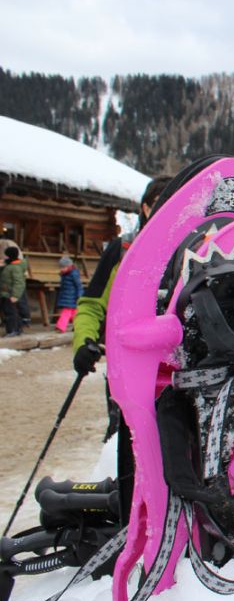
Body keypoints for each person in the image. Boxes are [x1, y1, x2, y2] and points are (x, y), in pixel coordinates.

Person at [71, 173, 174, 526]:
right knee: (126, 440)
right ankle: (126, 519)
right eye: (159, 203)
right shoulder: (122, 250)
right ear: (145, 208)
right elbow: (90, 305)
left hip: (181, 370)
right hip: (128, 370)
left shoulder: (196, 248)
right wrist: (84, 341)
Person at [1, 246, 28, 337]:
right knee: (11, 311)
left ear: (10, 256)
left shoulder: (15, 268)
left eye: (6, 256)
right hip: (6, 293)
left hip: (10, 294)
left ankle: (12, 330)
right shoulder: (10, 265)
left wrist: (15, 295)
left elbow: (19, 283)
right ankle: (17, 329)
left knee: (10, 312)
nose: (4, 258)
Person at [54, 255, 84, 333]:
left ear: (69, 266)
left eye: (63, 267)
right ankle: (78, 326)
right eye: (60, 267)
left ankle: (60, 327)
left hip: (72, 297)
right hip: (67, 297)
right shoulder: (64, 274)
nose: (61, 269)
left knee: (66, 313)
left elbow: (79, 286)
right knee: (74, 313)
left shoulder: (73, 274)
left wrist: (80, 295)